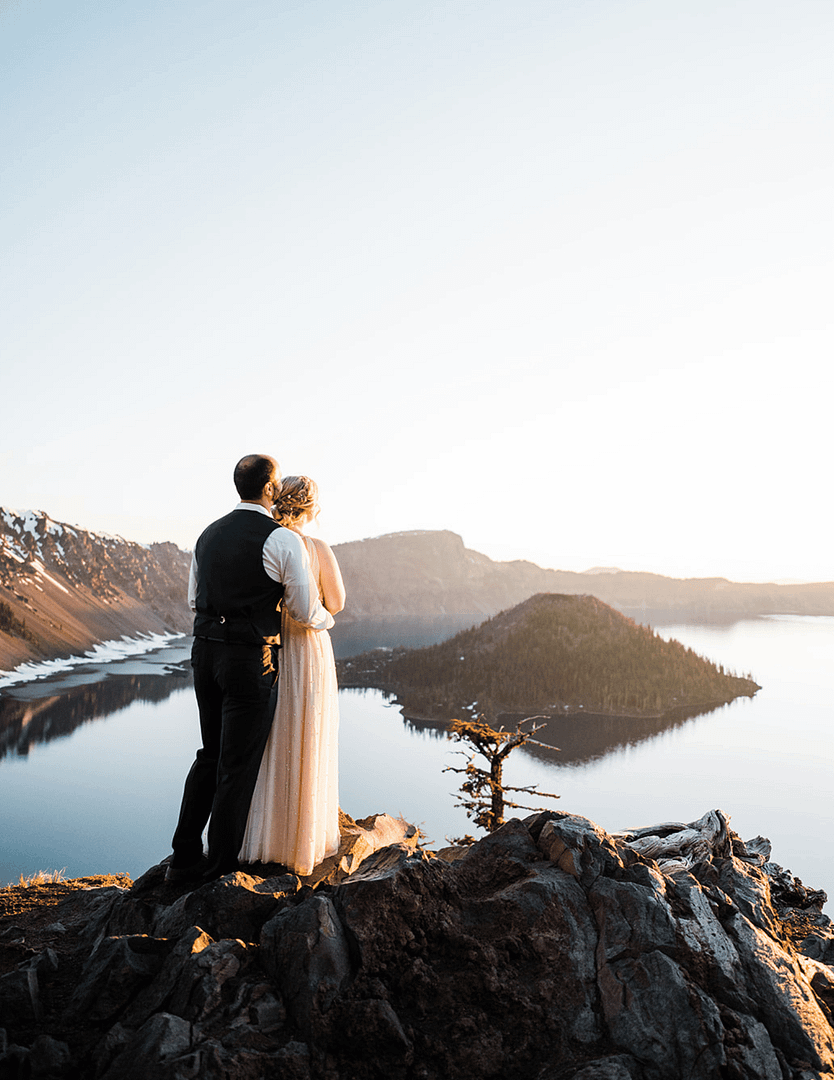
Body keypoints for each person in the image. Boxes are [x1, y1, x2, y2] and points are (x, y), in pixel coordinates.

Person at [167, 455, 334, 884]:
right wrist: (326, 620)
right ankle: (220, 867)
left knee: (209, 754)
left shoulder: (207, 535)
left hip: (204, 654)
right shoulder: (282, 540)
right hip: (249, 659)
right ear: (271, 488)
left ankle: (183, 856)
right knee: (237, 765)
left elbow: (193, 600)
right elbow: (301, 608)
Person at [240, 476, 345, 876]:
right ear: (312, 508)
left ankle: (265, 836)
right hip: (309, 647)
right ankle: (304, 840)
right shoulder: (316, 548)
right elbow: (335, 603)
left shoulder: (264, 543)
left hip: (269, 646)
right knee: (308, 733)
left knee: (272, 736)